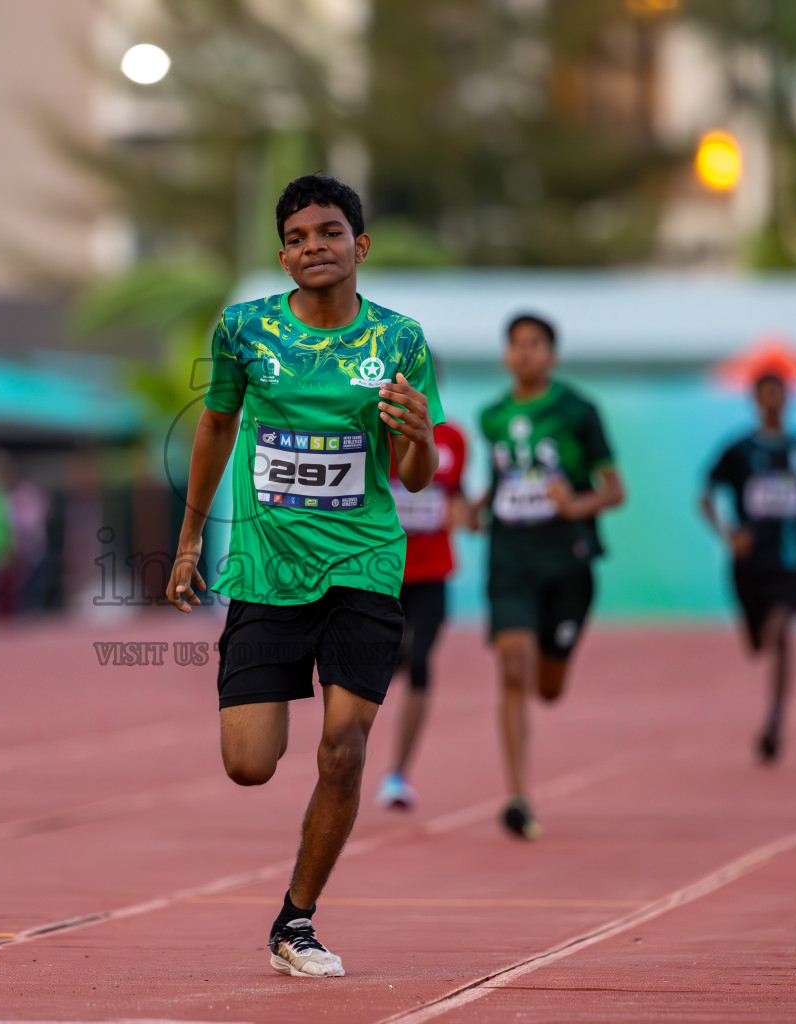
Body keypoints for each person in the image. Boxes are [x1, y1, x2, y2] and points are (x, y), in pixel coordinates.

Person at [167, 174, 442, 978]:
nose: (311, 247)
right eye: (295, 237)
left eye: (328, 232)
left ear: (360, 245)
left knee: (343, 750)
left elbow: (415, 476)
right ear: (282, 253)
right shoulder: (245, 330)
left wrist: (420, 434)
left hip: (363, 561)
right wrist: (189, 541)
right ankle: (295, 906)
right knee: (250, 763)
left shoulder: (399, 341)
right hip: (265, 568)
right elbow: (215, 425)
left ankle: (297, 921)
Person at [477, 313, 625, 840]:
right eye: (516, 344)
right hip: (510, 553)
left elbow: (614, 489)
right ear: (505, 355)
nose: (525, 353)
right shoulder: (491, 416)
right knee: (513, 667)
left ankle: (557, 653)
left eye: (535, 344)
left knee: (549, 686)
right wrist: (477, 507)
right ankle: (518, 794)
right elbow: (500, 481)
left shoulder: (577, 411)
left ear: (552, 355)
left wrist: (575, 503)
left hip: (568, 557)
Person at [701, 372, 796, 764]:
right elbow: (705, 495)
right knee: (759, 642)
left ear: (788, 399)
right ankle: (759, 634)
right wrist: (729, 534)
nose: (772, 402)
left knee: (781, 630)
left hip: (792, 556)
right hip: (749, 560)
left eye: (778, 395)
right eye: (765, 395)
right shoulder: (738, 450)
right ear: (754, 401)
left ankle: (775, 719)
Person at [376, 410, 468, 811]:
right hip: (382, 571)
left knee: (419, 658)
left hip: (432, 571)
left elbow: (458, 494)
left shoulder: (455, 440)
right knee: (377, 661)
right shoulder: (377, 432)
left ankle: (398, 774)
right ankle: (346, 753)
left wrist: (467, 512)